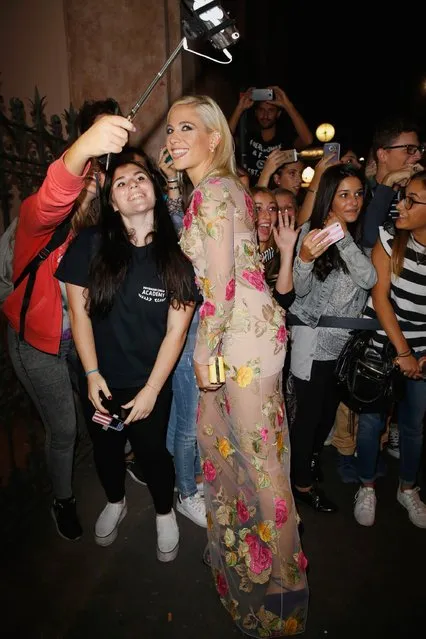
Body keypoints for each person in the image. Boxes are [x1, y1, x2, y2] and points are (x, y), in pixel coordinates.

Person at [166, 95, 308, 638]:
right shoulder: (219, 190)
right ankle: (253, 555)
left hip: (239, 335)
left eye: (188, 127)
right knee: (239, 447)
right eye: (171, 129)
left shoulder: (217, 191)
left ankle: (282, 588)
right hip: (246, 329)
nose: (174, 137)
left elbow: (221, 283)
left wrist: (204, 352)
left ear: (215, 138)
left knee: (261, 457)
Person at [55, 152, 197, 558]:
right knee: (105, 450)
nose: (133, 185)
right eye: (121, 183)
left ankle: (164, 510)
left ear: (154, 188)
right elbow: (78, 315)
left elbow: (177, 330)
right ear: (112, 201)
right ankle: (115, 501)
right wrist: (92, 373)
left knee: (153, 453)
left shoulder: (178, 256)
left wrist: (153, 389)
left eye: (140, 178)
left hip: (149, 382)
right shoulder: (91, 244)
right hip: (100, 377)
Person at [2, 108, 133, 541]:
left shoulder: (95, 238)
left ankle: (117, 465)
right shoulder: (37, 226)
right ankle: (63, 499)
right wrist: (82, 151)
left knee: (95, 411)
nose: (93, 191)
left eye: (99, 187)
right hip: (36, 345)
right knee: (64, 428)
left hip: (77, 342)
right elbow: (52, 196)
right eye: (89, 185)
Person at [288, 164, 377, 512]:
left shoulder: (353, 236)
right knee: (309, 418)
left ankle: (307, 463)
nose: (353, 201)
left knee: (325, 417)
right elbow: (299, 291)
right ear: (329, 197)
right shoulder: (311, 233)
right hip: (312, 343)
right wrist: (306, 259)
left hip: (341, 349)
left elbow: (366, 279)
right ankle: (301, 486)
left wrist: (344, 238)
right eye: (344, 194)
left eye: (357, 193)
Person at [354, 170, 426, 528]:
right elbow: (380, 300)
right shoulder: (389, 238)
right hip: (384, 347)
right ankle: (367, 485)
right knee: (371, 423)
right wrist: (403, 353)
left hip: (423, 354)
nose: (402, 204)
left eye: (412, 199)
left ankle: (408, 488)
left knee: (414, 425)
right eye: (404, 196)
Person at [229, 86, 313, 184]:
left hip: (275, 194)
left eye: (271, 110)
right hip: (249, 191)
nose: (265, 115)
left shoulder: (284, 138)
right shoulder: (247, 135)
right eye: (261, 110)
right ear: (256, 112)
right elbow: (224, 141)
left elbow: (307, 140)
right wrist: (239, 108)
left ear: (278, 114)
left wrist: (288, 106)